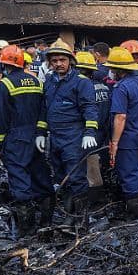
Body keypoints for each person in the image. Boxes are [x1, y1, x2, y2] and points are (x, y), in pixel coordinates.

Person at [0, 45, 53, 236]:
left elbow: (0, 118)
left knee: (19, 179)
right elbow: (44, 110)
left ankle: (27, 230)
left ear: (4, 63)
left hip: (16, 138)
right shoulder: (37, 82)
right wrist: (41, 131)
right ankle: (46, 224)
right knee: (41, 177)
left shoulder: (6, 84)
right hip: (36, 137)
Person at [35, 39, 99, 226]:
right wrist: (40, 132)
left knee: (76, 177)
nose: (58, 64)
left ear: (70, 60)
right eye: (54, 61)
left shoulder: (81, 82)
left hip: (74, 136)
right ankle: (68, 215)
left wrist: (89, 132)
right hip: (55, 137)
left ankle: (81, 220)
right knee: (60, 175)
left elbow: (90, 108)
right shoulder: (48, 81)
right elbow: (44, 109)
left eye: (62, 60)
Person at [106, 47, 138, 219]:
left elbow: (120, 117)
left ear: (117, 70)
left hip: (128, 139)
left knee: (130, 175)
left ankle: (134, 218)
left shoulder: (121, 88)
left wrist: (114, 143)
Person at [75, 51, 111, 202]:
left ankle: (94, 199)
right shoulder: (104, 87)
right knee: (100, 162)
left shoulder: (83, 87)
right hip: (104, 130)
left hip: (89, 130)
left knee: (90, 165)